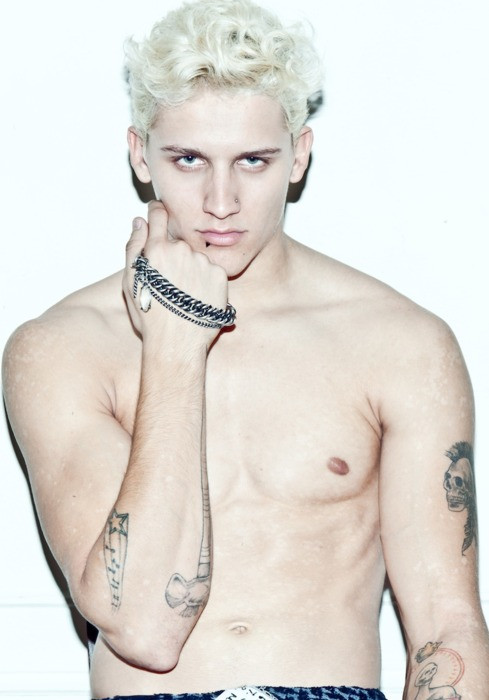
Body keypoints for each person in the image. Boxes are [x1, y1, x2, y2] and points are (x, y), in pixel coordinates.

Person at [2, 1, 488, 699]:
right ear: (140, 154)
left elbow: (446, 628)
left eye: (253, 161)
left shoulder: (400, 343)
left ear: (299, 155)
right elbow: (143, 626)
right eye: (188, 159)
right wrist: (175, 346)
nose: (221, 200)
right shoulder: (60, 348)